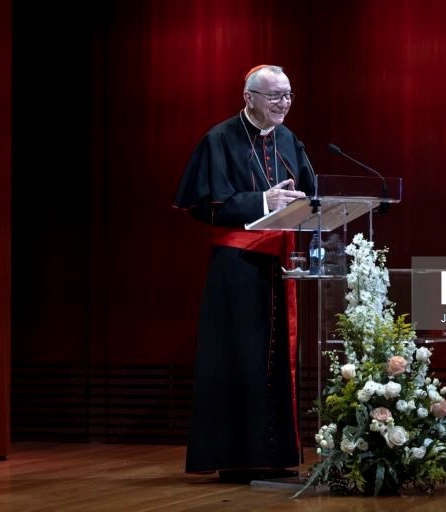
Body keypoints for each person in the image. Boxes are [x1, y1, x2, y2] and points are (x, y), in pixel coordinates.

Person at [173, 65, 315, 482]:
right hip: (236, 269)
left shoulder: (291, 140)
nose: (283, 104)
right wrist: (262, 201)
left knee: (275, 363)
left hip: (279, 264)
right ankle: (235, 458)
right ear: (248, 96)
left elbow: (310, 196)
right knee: (239, 358)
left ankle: (276, 456)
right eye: (274, 96)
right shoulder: (219, 139)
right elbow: (201, 205)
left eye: (288, 95)